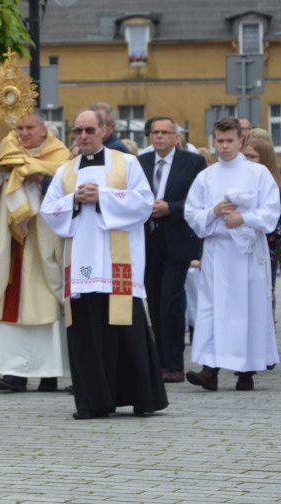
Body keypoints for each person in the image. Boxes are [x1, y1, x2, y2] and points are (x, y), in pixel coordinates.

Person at [41, 109, 167, 419]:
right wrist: (73, 201)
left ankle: (141, 397)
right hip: (82, 263)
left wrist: (103, 196)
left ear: (104, 131)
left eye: (89, 130)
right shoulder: (66, 171)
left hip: (116, 263)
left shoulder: (127, 163)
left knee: (126, 328)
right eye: (78, 130)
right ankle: (93, 401)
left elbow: (143, 202)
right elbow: (48, 210)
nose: (82, 136)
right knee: (86, 332)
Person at [184, 118, 280, 392]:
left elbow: (271, 211)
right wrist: (213, 212)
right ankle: (209, 369)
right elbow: (192, 214)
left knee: (247, 308)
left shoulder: (258, 173)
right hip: (218, 251)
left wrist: (244, 218)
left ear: (241, 141)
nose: (224, 146)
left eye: (229, 141)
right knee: (212, 308)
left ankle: (246, 370)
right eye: (220, 140)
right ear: (214, 141)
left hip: (246, 252)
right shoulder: (206, 176)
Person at [0, 111, 70, 393]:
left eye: (30, 127)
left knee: (43, 303)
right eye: (19, 127)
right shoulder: (6, 151)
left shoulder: (59, 153)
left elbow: (66, 184)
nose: (24, 133)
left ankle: (49, 374)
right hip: (12, 241)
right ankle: (14, 372)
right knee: (10, 302)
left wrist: (39, 175)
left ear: (45, 129)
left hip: (44, 239)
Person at [137, 116, 207, 383]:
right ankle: (158, 361)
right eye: (155, 132)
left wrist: (171, 208)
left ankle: (174, 364)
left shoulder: (192, 163)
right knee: (153, 301)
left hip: (177, 239)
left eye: (165, 133)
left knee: (171, 301)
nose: (159, 137)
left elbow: (197, 200)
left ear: (176, 137)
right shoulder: (140, 163)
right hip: (147, 241)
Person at [242, 134, 281, 307]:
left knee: (264, 292)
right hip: (238, 246)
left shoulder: (278, 187)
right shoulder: (236, 182)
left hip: (265, 247)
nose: (249, 160)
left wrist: (265, 233)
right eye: (246, 156)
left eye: (253, 157)